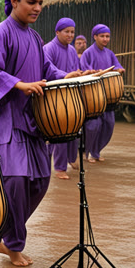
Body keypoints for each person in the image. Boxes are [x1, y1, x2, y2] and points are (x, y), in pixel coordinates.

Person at [0, 0, 81, 267]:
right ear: (14, 1)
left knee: (40, 181)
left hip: (30, 118)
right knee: (16, 180)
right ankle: (11, 243)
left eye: (40, 3)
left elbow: (46, 68)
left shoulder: (35, 38)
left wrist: (64, 76)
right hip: (3, 119)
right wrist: (19, 85)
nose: (37, 8)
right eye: (31, 2)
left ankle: (5, 234)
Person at [43, 18, 82, 179]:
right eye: (66, 31)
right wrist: (65, 76)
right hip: (55, 95)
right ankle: (59, 168)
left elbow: (74, 69)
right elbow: (48, 70)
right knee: (60, 130)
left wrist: (81, 73)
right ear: (57, 32)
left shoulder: (72, 50)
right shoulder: (48, 48)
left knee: (74, 127)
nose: (70, 35)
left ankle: (71, 157)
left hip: (69, 93)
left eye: (72, 32)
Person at [80, 24, 125, 163]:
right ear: (95, 37)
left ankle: (96, 151)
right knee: (93, 125)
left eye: (107, 36)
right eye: (102, 36)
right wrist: (93, 72)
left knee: (109, 123)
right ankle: (85, 152)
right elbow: (84, 69)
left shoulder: (109, 53)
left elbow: (117, 65)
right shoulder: (88, 53)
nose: (105, 39)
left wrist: (120, 70)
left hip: (108, 95)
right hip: (93, 95)